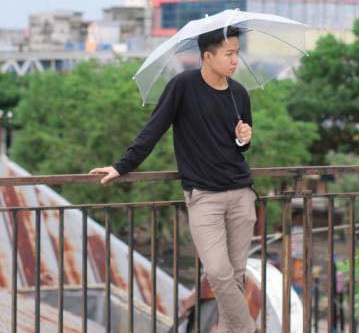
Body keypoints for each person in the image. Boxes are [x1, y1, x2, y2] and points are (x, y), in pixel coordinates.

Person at [90, 26, 257, 333]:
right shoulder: (182, 86)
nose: (235, 60)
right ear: (207, 56)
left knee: (235, 276)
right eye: (229, 54)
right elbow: (153, 130)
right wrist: (121, 165)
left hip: (241, 193)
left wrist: (243, 139)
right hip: (204, 196)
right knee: (218, 273)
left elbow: (241, 145)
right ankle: (248, 329)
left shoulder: (239, 94)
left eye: (237, 53)